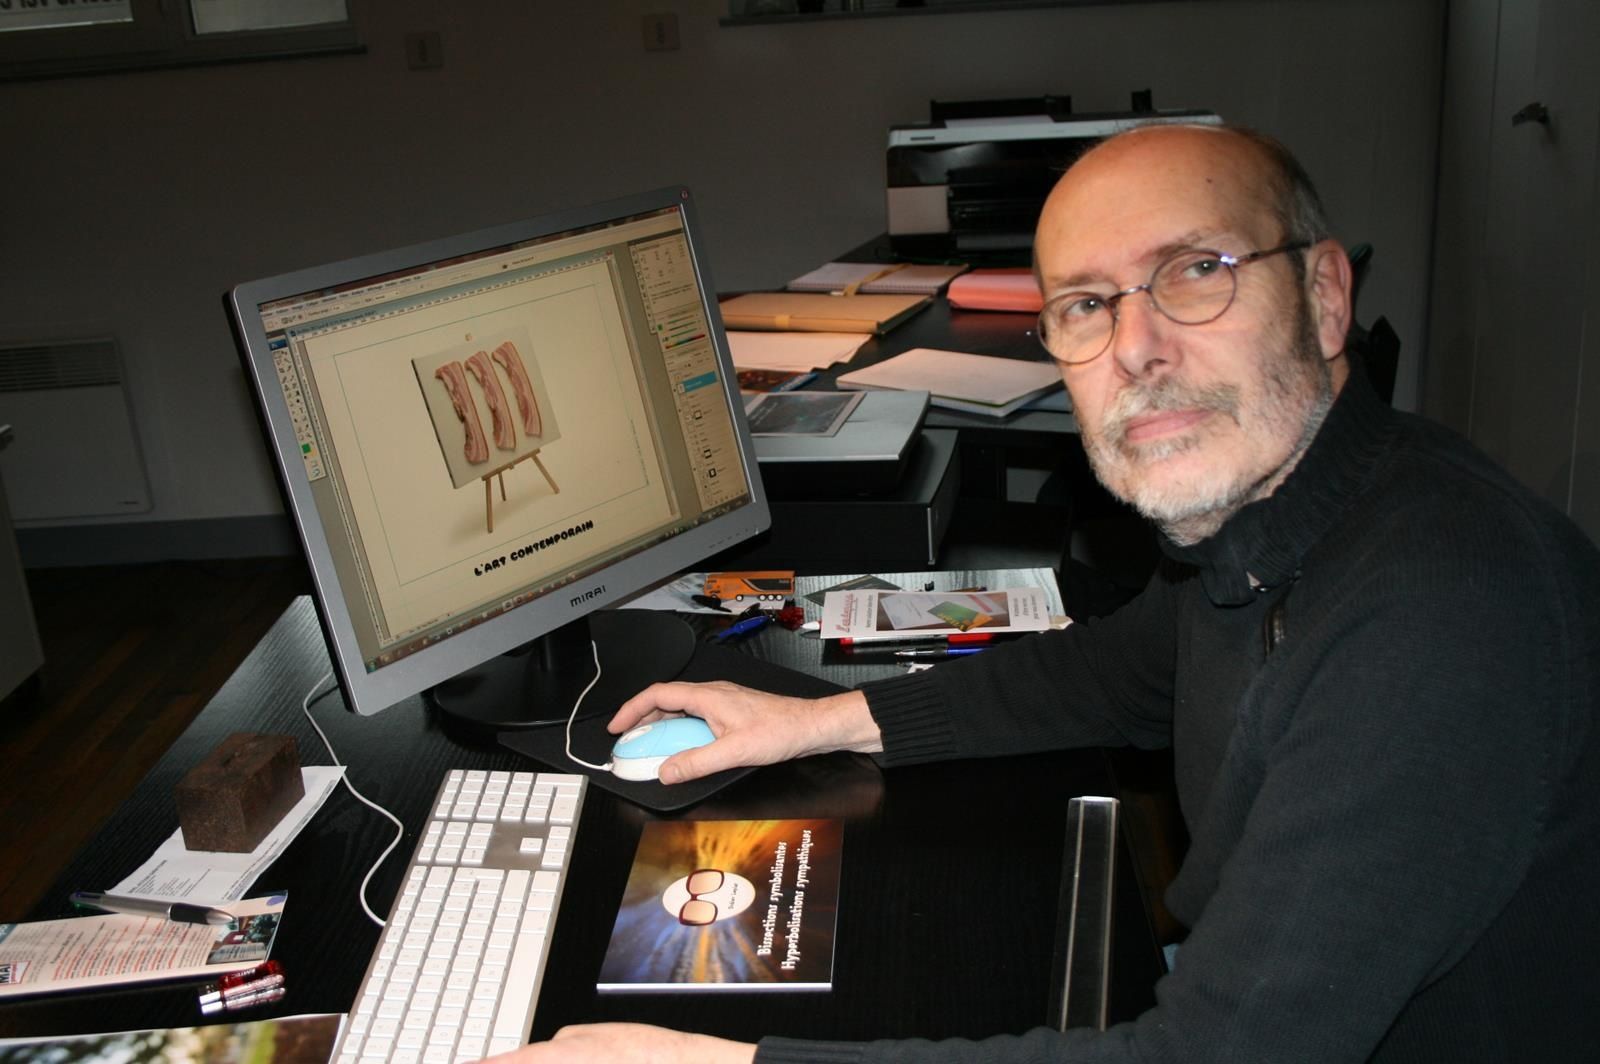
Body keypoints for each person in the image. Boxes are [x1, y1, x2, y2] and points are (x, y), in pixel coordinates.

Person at [487, 124, 1600, 1063]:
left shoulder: (1439, 616)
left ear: (1322, 296)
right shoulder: (1268, 519)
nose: (1137, 349)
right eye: (1085, 304)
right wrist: (811, 721)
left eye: (1195, 272)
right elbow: (1114, 672)